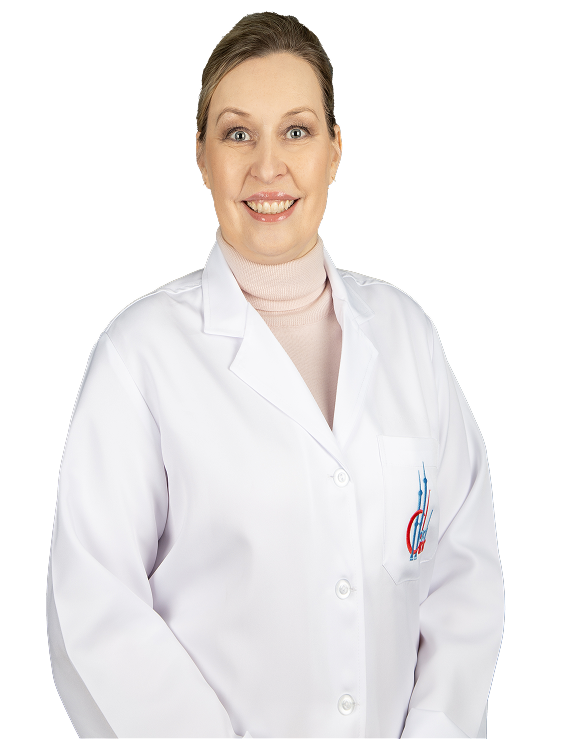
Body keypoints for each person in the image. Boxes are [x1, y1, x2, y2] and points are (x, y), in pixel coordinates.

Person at [46, 12, 505, 738]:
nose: (268, 167)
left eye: (296, 131)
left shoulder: (407, 334)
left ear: (335, 151)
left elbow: (464, 571)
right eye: (237, 134)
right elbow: (95, 606)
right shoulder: (139, 356)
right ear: (201, 158)